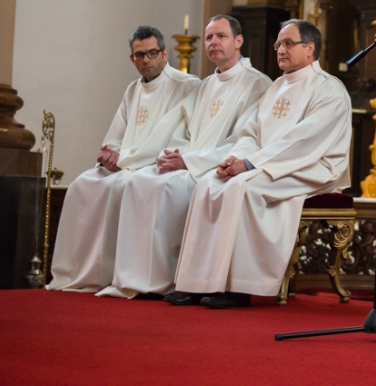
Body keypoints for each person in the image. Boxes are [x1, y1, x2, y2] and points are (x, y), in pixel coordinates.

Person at [168, 19, 352, 308]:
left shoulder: (329, 89)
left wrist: (250, 164)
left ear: (310, 48)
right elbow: (251, 132)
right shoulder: (277, 86)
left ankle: (239, 287)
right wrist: (236, 159)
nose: (280, 50)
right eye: (278, 44)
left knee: (242, 188)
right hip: (268, 162)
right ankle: (198, 282)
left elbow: (302, 142)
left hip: (311, 167)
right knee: (208, 183)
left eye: (288, 43)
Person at [97, 16, 271, 299]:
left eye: (221, 36)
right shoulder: (205, 85)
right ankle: (137, 278)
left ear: (239, 41)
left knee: (168, 187)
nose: (213, 42)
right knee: (140, 179)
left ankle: (170, 278)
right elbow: (182, 130)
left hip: (217, 166)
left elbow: (245, 141)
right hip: (192, 162)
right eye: (209, 37)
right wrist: (175, 155)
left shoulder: (257, 84)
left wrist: (190, 161)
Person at [48, 27, 200, 292]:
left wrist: (125, 158)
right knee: (82, 185)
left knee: (126, 185)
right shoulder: (132, 90)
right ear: (132, 58)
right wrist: (109, 155)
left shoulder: (186, 85)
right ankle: (84, 273)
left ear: (165, 53)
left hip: (157, 164)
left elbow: (178, 137)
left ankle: (129, 275)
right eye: (139, 55)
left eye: (152, 53)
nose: (146, 60)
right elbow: (116, 135)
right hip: (128, 163)